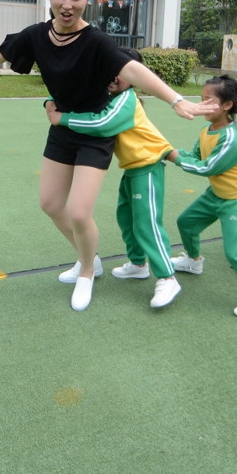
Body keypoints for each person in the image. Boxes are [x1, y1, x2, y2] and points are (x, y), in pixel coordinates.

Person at [0, 0, 208, 312]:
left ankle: (87, 271)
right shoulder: (36, 35)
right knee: (49, 203)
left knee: (78, 211)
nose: (68, 3)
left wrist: (176, 99)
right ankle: (88, 258)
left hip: (93, 133)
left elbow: (133, 69)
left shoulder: (97, 41)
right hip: (61, 131)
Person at [46, 48, 183, 308]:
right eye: (111, 68)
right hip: (132, 168)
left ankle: (167, 277)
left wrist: (62, 118)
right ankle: (138, 263)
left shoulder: (126, 100)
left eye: (122, 71)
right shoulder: (112, 95)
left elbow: (101, 123)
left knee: (147, 224)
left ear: (136, 77)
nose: (114, 75)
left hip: (149, 167)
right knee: (127, 218)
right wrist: (51, 101)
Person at [165, 75, 237, 319]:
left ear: (227, 105)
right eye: (201, 99)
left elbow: (207, 167)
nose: (202, 105)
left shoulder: (231, 138)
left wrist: (173, 157)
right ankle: (194, 260)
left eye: (209, 100)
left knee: (236, 252)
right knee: (186, 222)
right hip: (216, 193)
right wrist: (172, 152)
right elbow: (196, 155)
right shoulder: (207, 129)